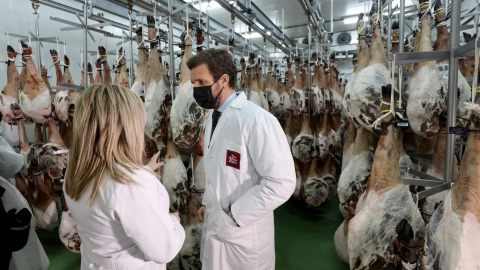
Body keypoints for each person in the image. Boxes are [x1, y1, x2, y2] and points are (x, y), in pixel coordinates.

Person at [188, 49, 296, 269]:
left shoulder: (258, 120)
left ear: (224, 80)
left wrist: (234, 215)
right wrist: (209, 203)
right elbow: (218, 171)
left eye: (202, 82)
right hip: (217, 229)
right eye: (194, 83)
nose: (196, 89)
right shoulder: (212, 119)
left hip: (244, 238)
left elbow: (282, 183)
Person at [64, 85, 185, 270]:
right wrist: (174, 221)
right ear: (126, 128)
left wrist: (141, 172)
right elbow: (164, 250)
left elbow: (111, 196)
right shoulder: (130, 184)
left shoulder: (76, 171)